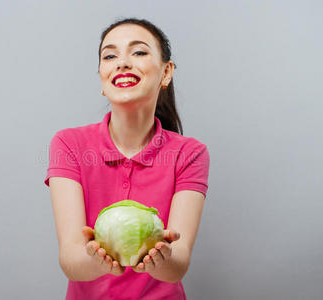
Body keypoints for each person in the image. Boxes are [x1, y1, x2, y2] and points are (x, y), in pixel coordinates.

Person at [44, 17, 210, 300]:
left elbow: (177, 266)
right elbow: (71, 260)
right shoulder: (68, 144)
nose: (122, 62)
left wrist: (163, 258)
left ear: (166, 72)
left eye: (139, 52)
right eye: (110, 55)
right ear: (101, 76)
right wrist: (98, 260)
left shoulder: (190, 153)